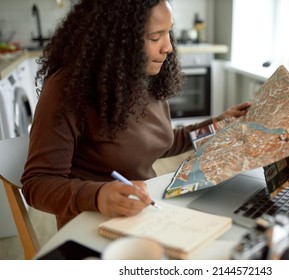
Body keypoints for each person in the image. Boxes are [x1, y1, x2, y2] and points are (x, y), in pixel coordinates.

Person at [21, 0, 250, 230]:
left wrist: (216, 125)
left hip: (144, 211)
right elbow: (38, 183)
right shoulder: (68, 88)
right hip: (91, 224)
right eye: (155, 37)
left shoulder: (144, 77)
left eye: (169, 33)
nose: (168, 47)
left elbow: (162, 142)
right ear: (118, 39)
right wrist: (98, 195)